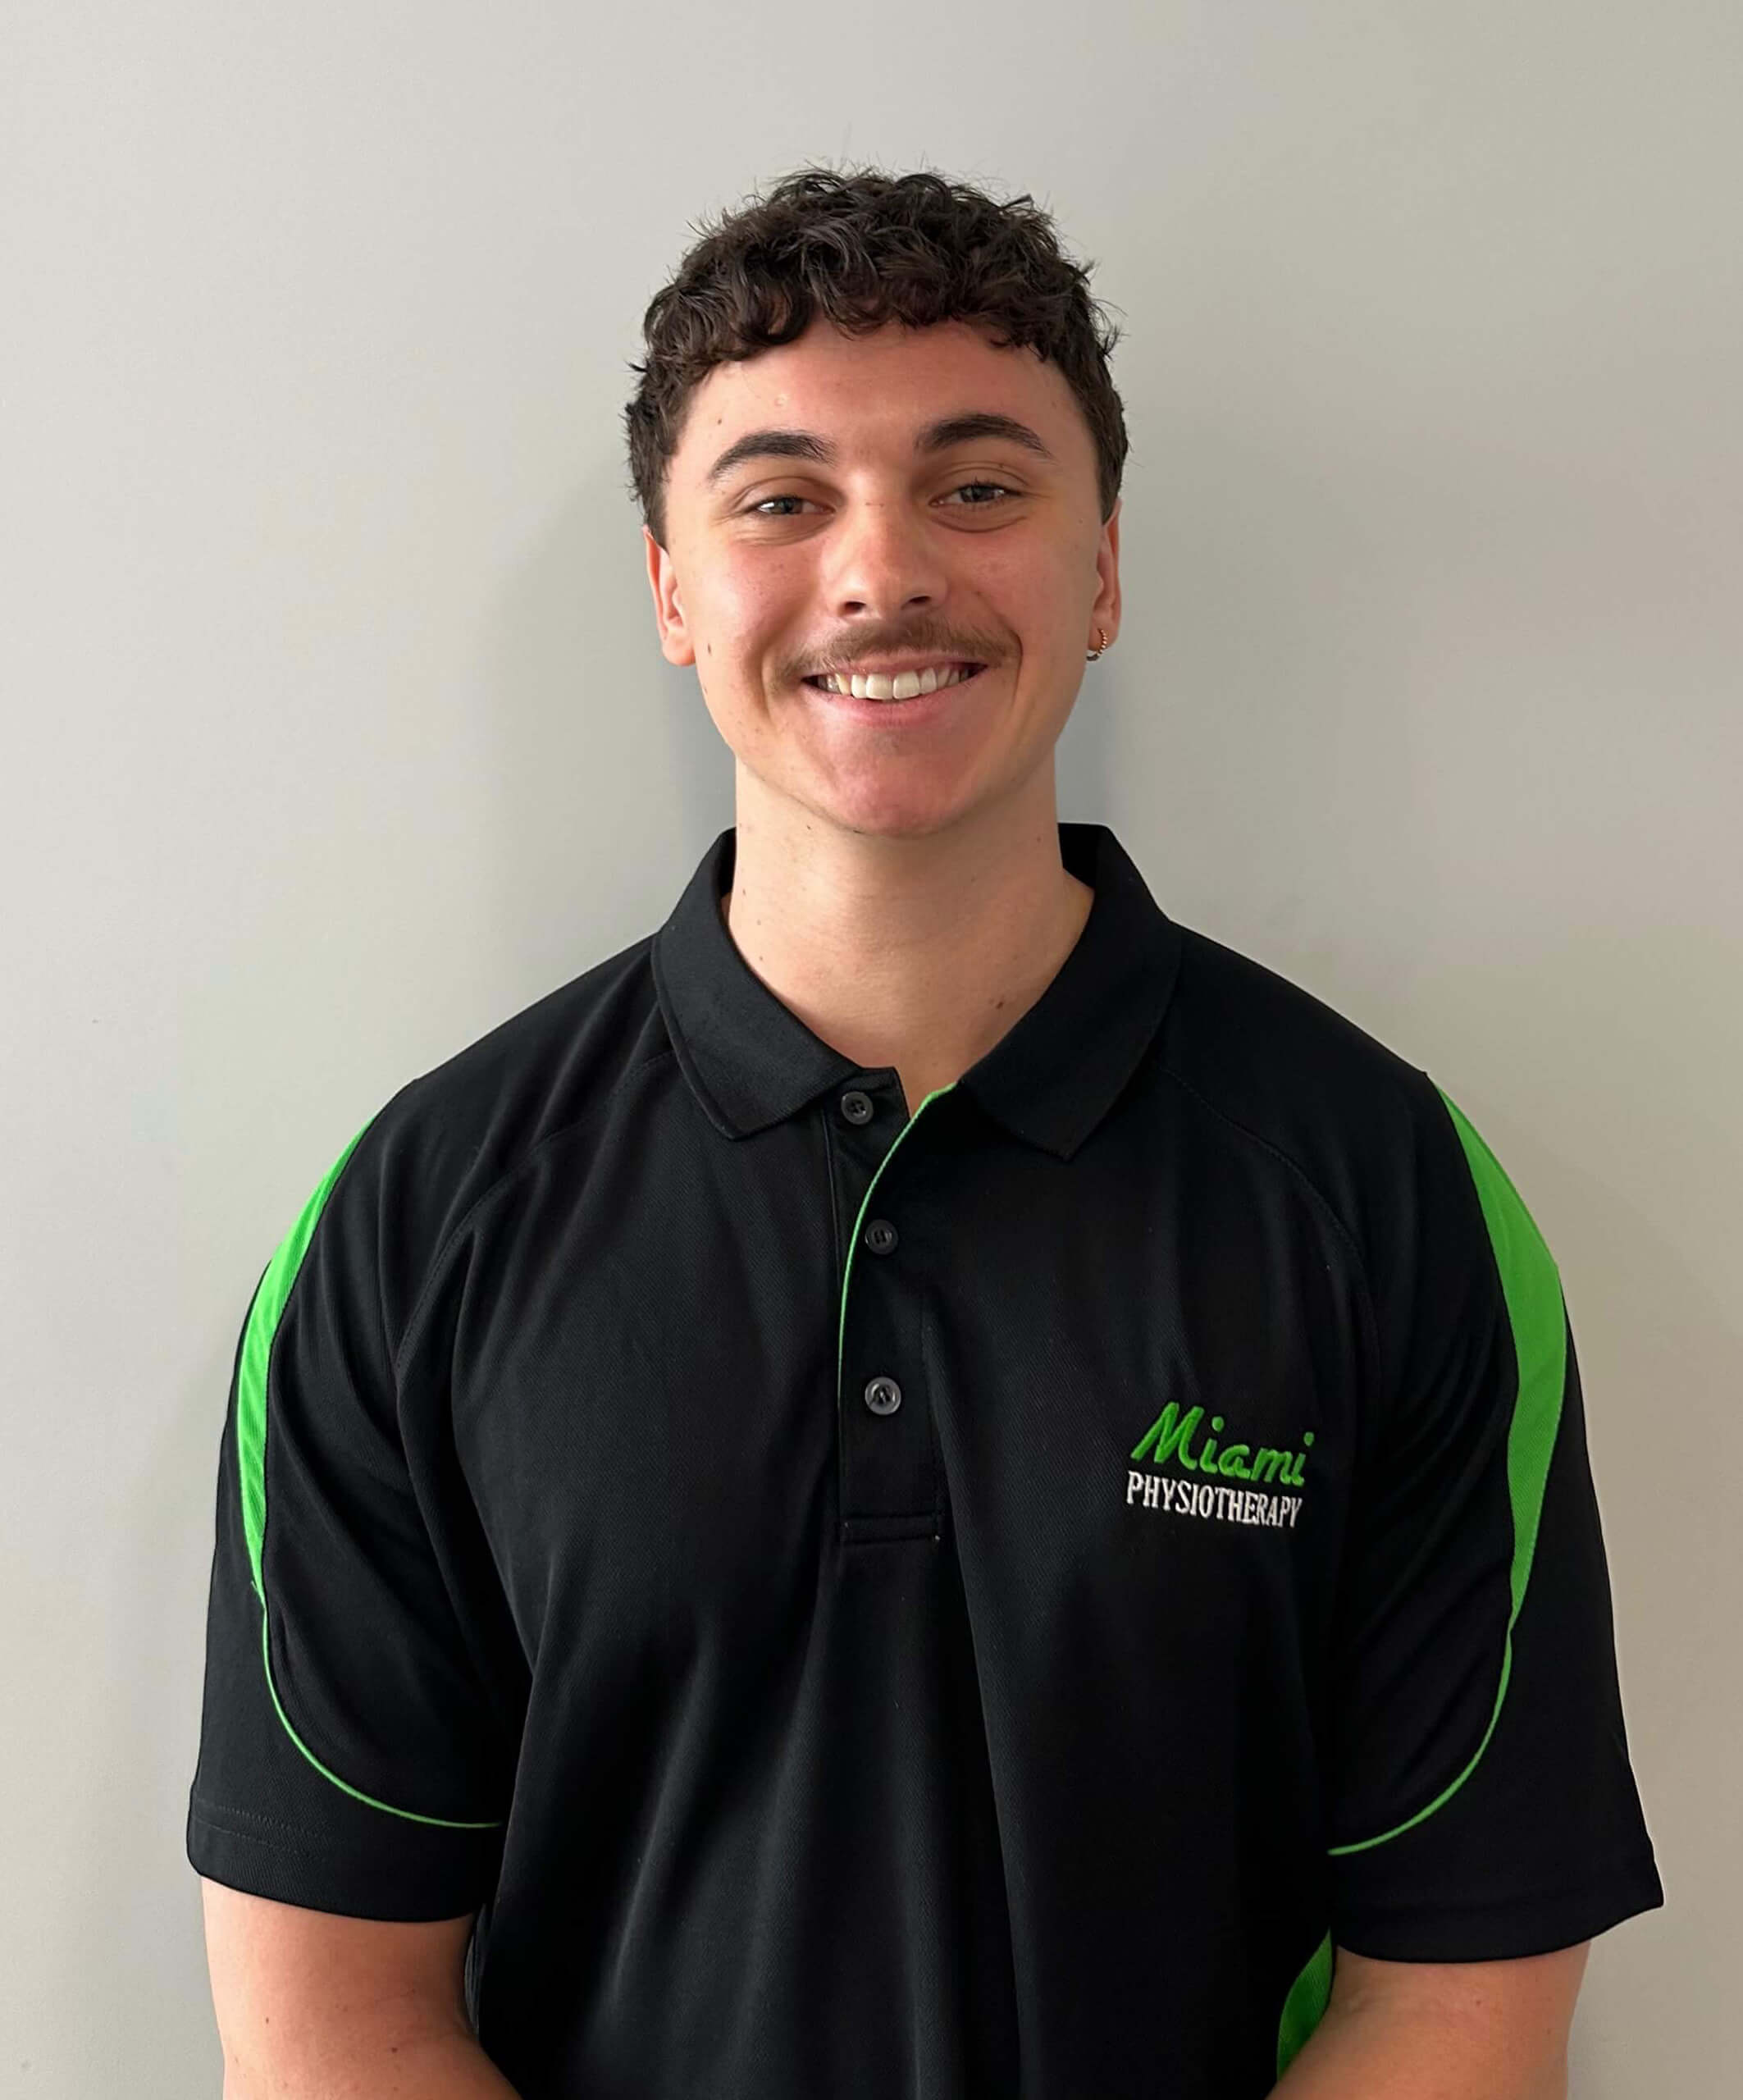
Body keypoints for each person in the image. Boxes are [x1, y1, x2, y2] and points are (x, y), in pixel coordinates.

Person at [189, 163, 1663, 2099]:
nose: (880, 571)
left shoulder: (1386, 1194)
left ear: (1101, 571)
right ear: (671, 589)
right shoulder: (415, 1223)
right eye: (779, 499)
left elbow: (1456, 2000)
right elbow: (334, 2021)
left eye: (976, 487)